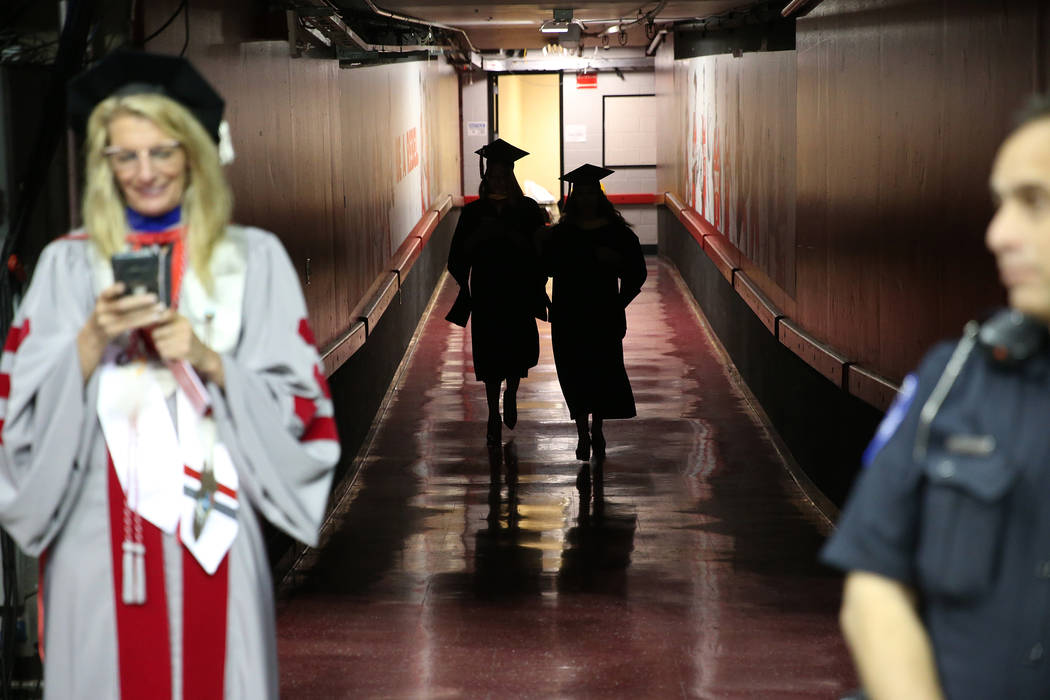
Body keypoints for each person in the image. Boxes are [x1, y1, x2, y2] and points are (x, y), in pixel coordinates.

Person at [0, 50, 339, 698]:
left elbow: (304, 407)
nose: (144, 172)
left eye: (162, 151)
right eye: (124, 155)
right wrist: (89, 342)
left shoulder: (252, 260)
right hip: (96, 537)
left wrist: (212, 362)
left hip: (211, 529)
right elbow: (16, 416)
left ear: (195, 153)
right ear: (103, 163)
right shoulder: (67, 269)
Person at [821, 98, 1050, 700]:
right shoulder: (954, 380)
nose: (998, 235)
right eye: (1001, 204)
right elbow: (873, 587)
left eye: (1034, 203)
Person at [446, 139, 549, 446]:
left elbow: (542, 252)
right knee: (490, 357)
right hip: (488, 292)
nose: (498, 180)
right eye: (493, 175)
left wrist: (517, 243)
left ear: (511, 177)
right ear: (486, 177)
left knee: (516, 353)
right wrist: (479, 239)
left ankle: (512, 394)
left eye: (504, 175)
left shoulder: (528, 209)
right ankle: (492, 412)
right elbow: (457, 256)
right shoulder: (474, 212)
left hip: (517, 291)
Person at [542, 164, 646, 461]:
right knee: (573, 372)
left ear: (598, 196)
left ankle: (597, 426)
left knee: (601, 372)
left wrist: (619, 301)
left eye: (591, 193)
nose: (586, 199)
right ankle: (581, 432)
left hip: (602, 312)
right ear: (574, 198)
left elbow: (636, 272)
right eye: (582, 193)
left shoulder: (616, 233)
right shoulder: (563, 233)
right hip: (569, 312)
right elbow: (546, 267)